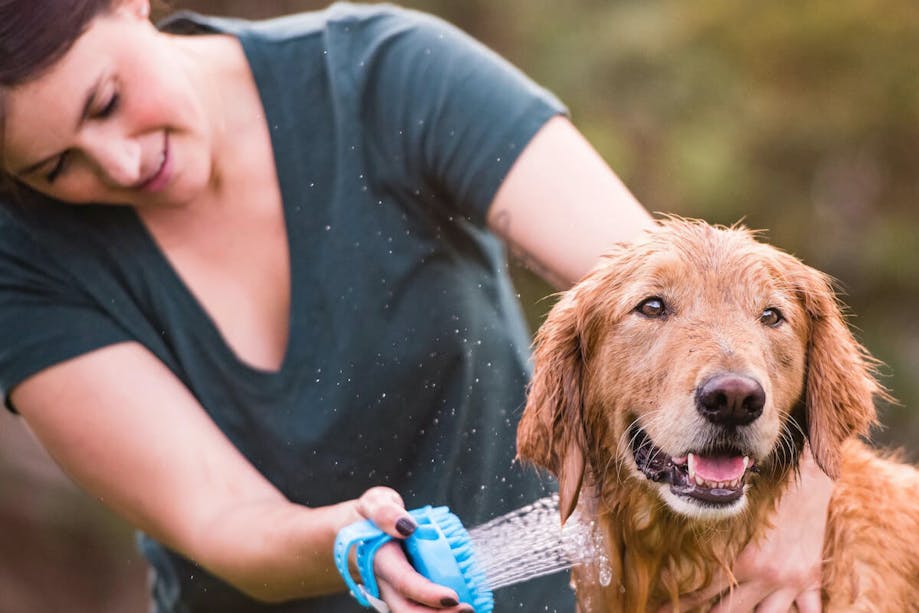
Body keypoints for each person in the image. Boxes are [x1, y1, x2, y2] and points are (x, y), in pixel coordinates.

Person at [0, 1, 832, 611]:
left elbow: (671, 302)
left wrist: (802, 506)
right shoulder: (23, 260)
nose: (114, 162)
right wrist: (350, 543)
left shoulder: (386, 75)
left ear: (129, 4)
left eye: (105, 102)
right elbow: (223, 517)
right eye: (52, 168)